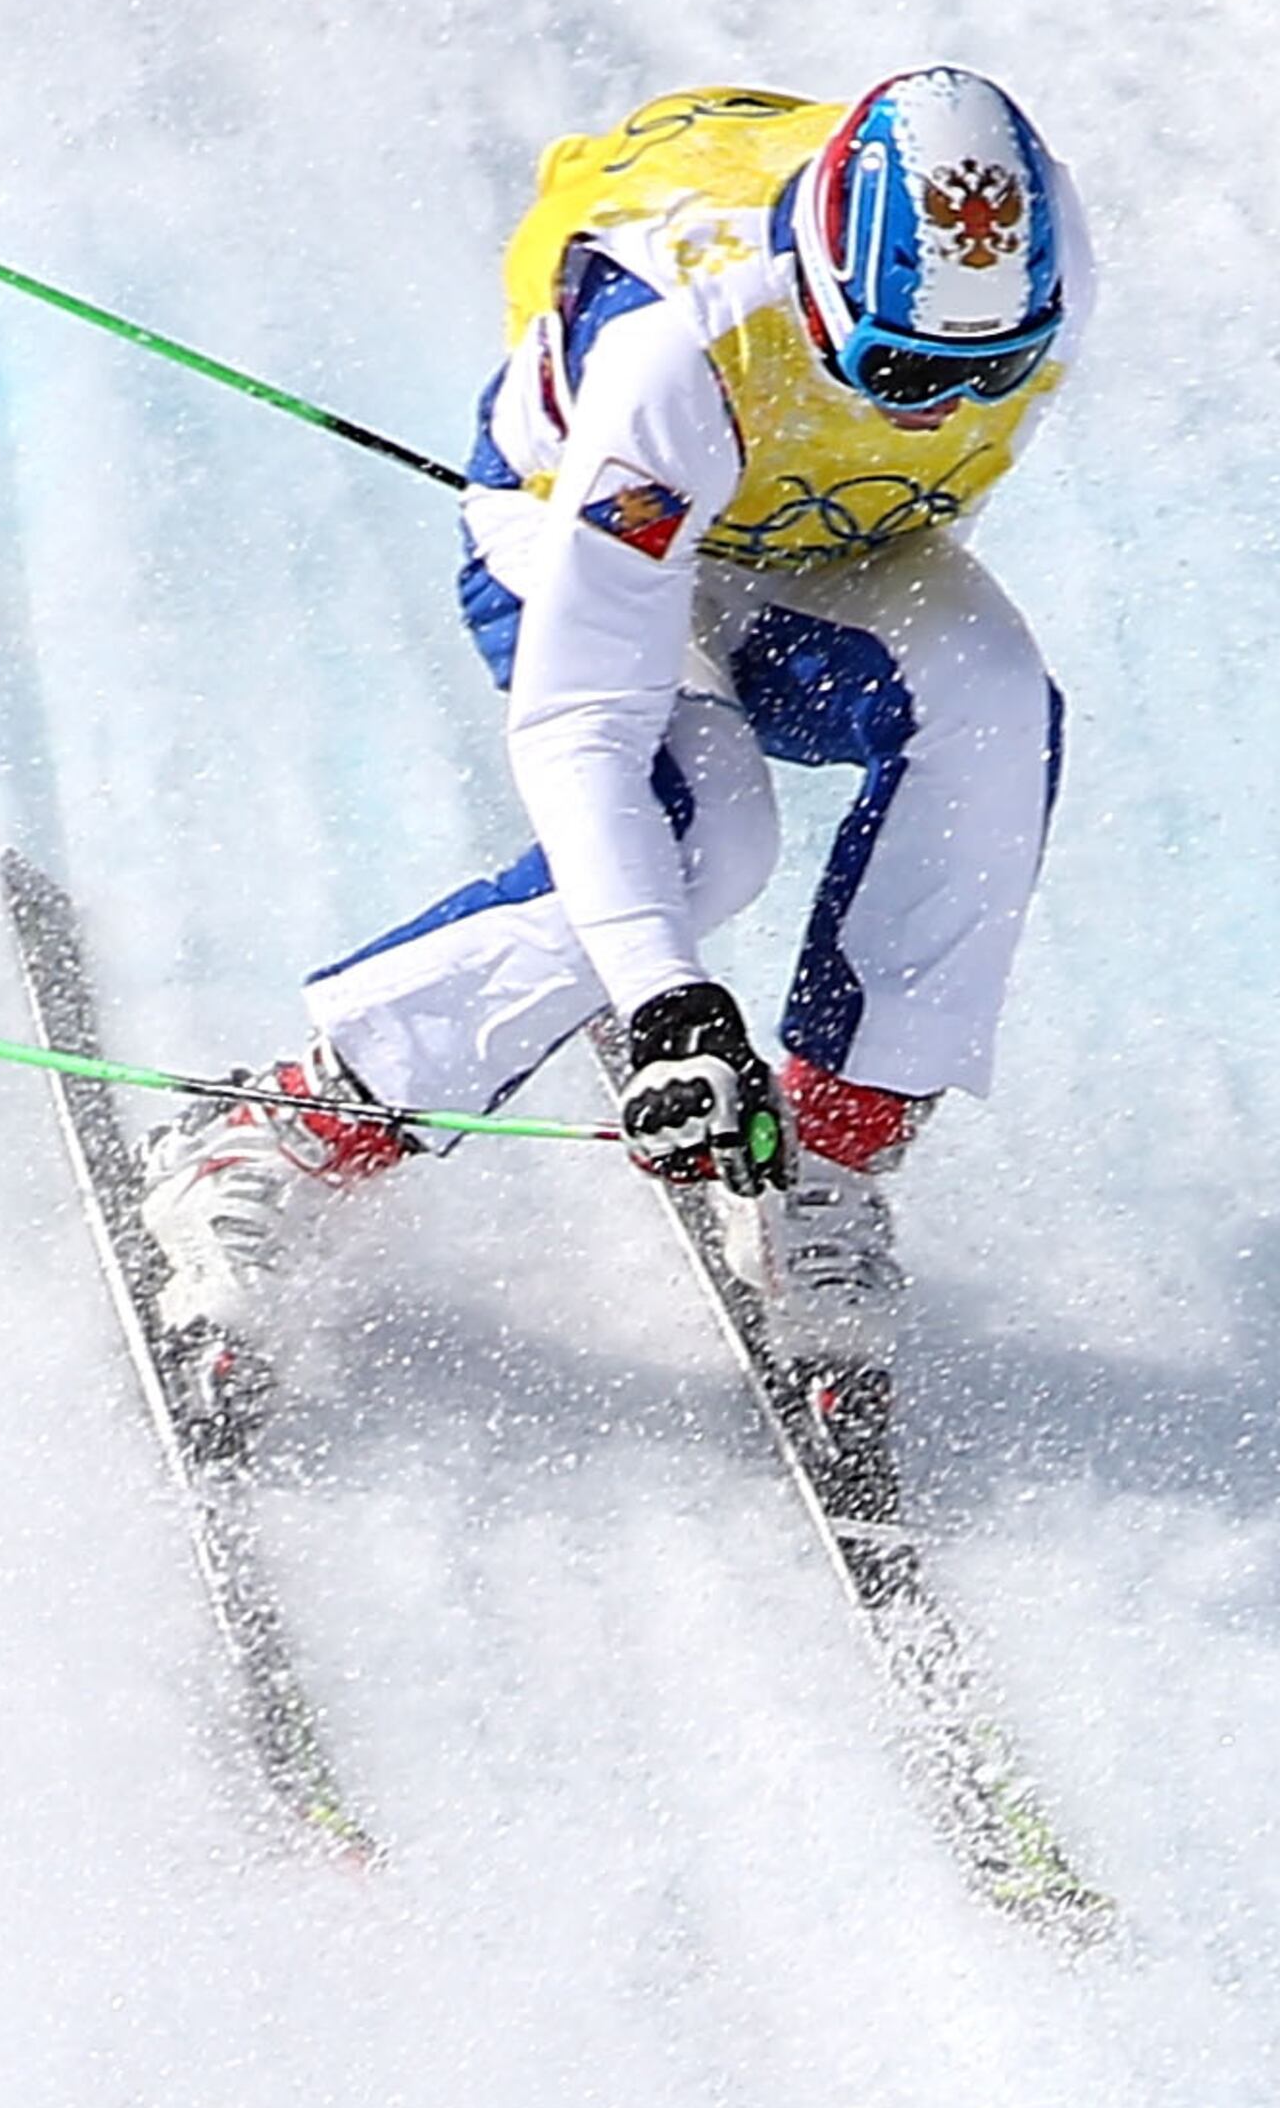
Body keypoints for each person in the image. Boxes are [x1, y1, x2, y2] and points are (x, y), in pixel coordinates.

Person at [134, 74, 1091, 1405]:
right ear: (821, 287)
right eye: (901, 369)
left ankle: (825, 1162)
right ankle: (287, 1125)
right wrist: (669, 1004)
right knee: (702, 828)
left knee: (991, 704)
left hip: (800, 542)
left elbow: (921, 468)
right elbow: (583, 720)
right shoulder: (676, 351)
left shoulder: (1040, 279)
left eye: (987, 371)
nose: (938, 405)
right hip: (577, 525)